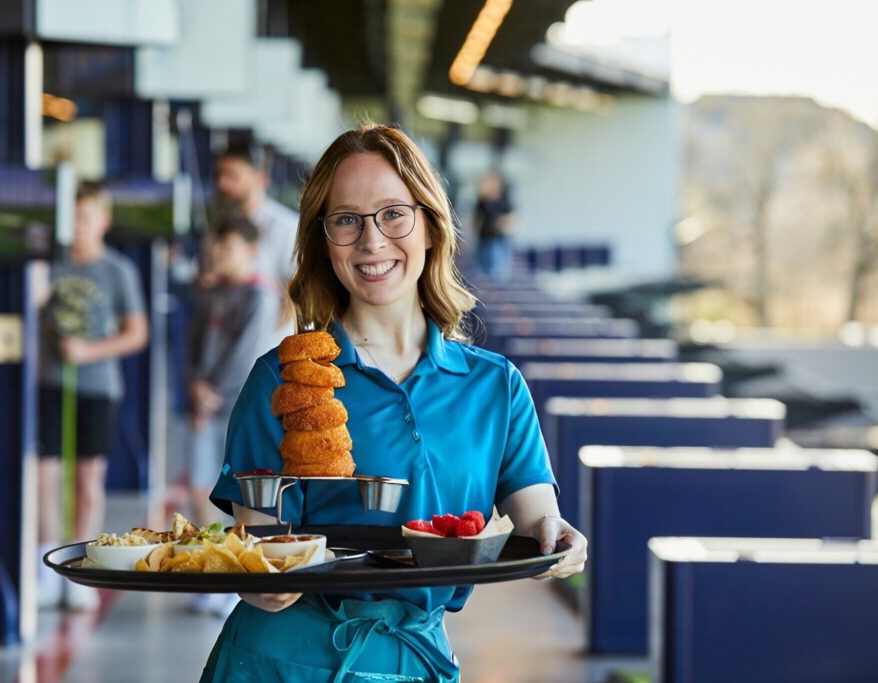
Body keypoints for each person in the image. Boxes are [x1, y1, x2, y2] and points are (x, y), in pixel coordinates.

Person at [201, 125, 588, 681]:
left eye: (393, 214)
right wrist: (262, 584)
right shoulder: (282, 379)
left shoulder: (494, 387)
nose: (372, 241)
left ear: (430, 224)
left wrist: (561, 541)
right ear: (323, 239)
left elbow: (538, 522)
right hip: (284, 660)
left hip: (417, 658)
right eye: (346, 220)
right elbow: (256, 542)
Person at [35, 181, 149, 611]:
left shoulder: (118, 271)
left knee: (87, 480)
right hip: (50, 383)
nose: (77, 227)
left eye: (85, 217)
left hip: (98, 388)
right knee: (44, 477)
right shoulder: (50, 262)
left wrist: (89, 352)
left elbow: (137, 334)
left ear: (103, 221)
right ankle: (44, 562)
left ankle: (81, 566)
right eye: (72, 218)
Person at [183, 214, 279, 615]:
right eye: (216, 248)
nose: (219, 255)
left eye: (228, 248)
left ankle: (234, 574)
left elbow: (245, 355)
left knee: (238, 496)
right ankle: (215, 566)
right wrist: (194, 386)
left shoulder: (259, 296)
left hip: (238, 407)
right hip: (203, 404)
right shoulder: (208, 294)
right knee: (198, 485)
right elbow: (190, 346)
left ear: (251, 251)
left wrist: (214, 394)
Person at [212, 141, 298, 343]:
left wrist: (260, 342)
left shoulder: (286, 227)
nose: (222, 184)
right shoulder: (220, 224)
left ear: (262, 179)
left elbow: (298, 296)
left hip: (267, 351)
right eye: (219, 175)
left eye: (232, 176)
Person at [473, 171, 516, 280]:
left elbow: (512, 217)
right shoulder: (482, 201)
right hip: (484, 239)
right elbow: (477, 219)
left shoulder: (503, 199)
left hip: (497, 239)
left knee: (497, 270)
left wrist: (501, 223)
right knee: (482, 268)